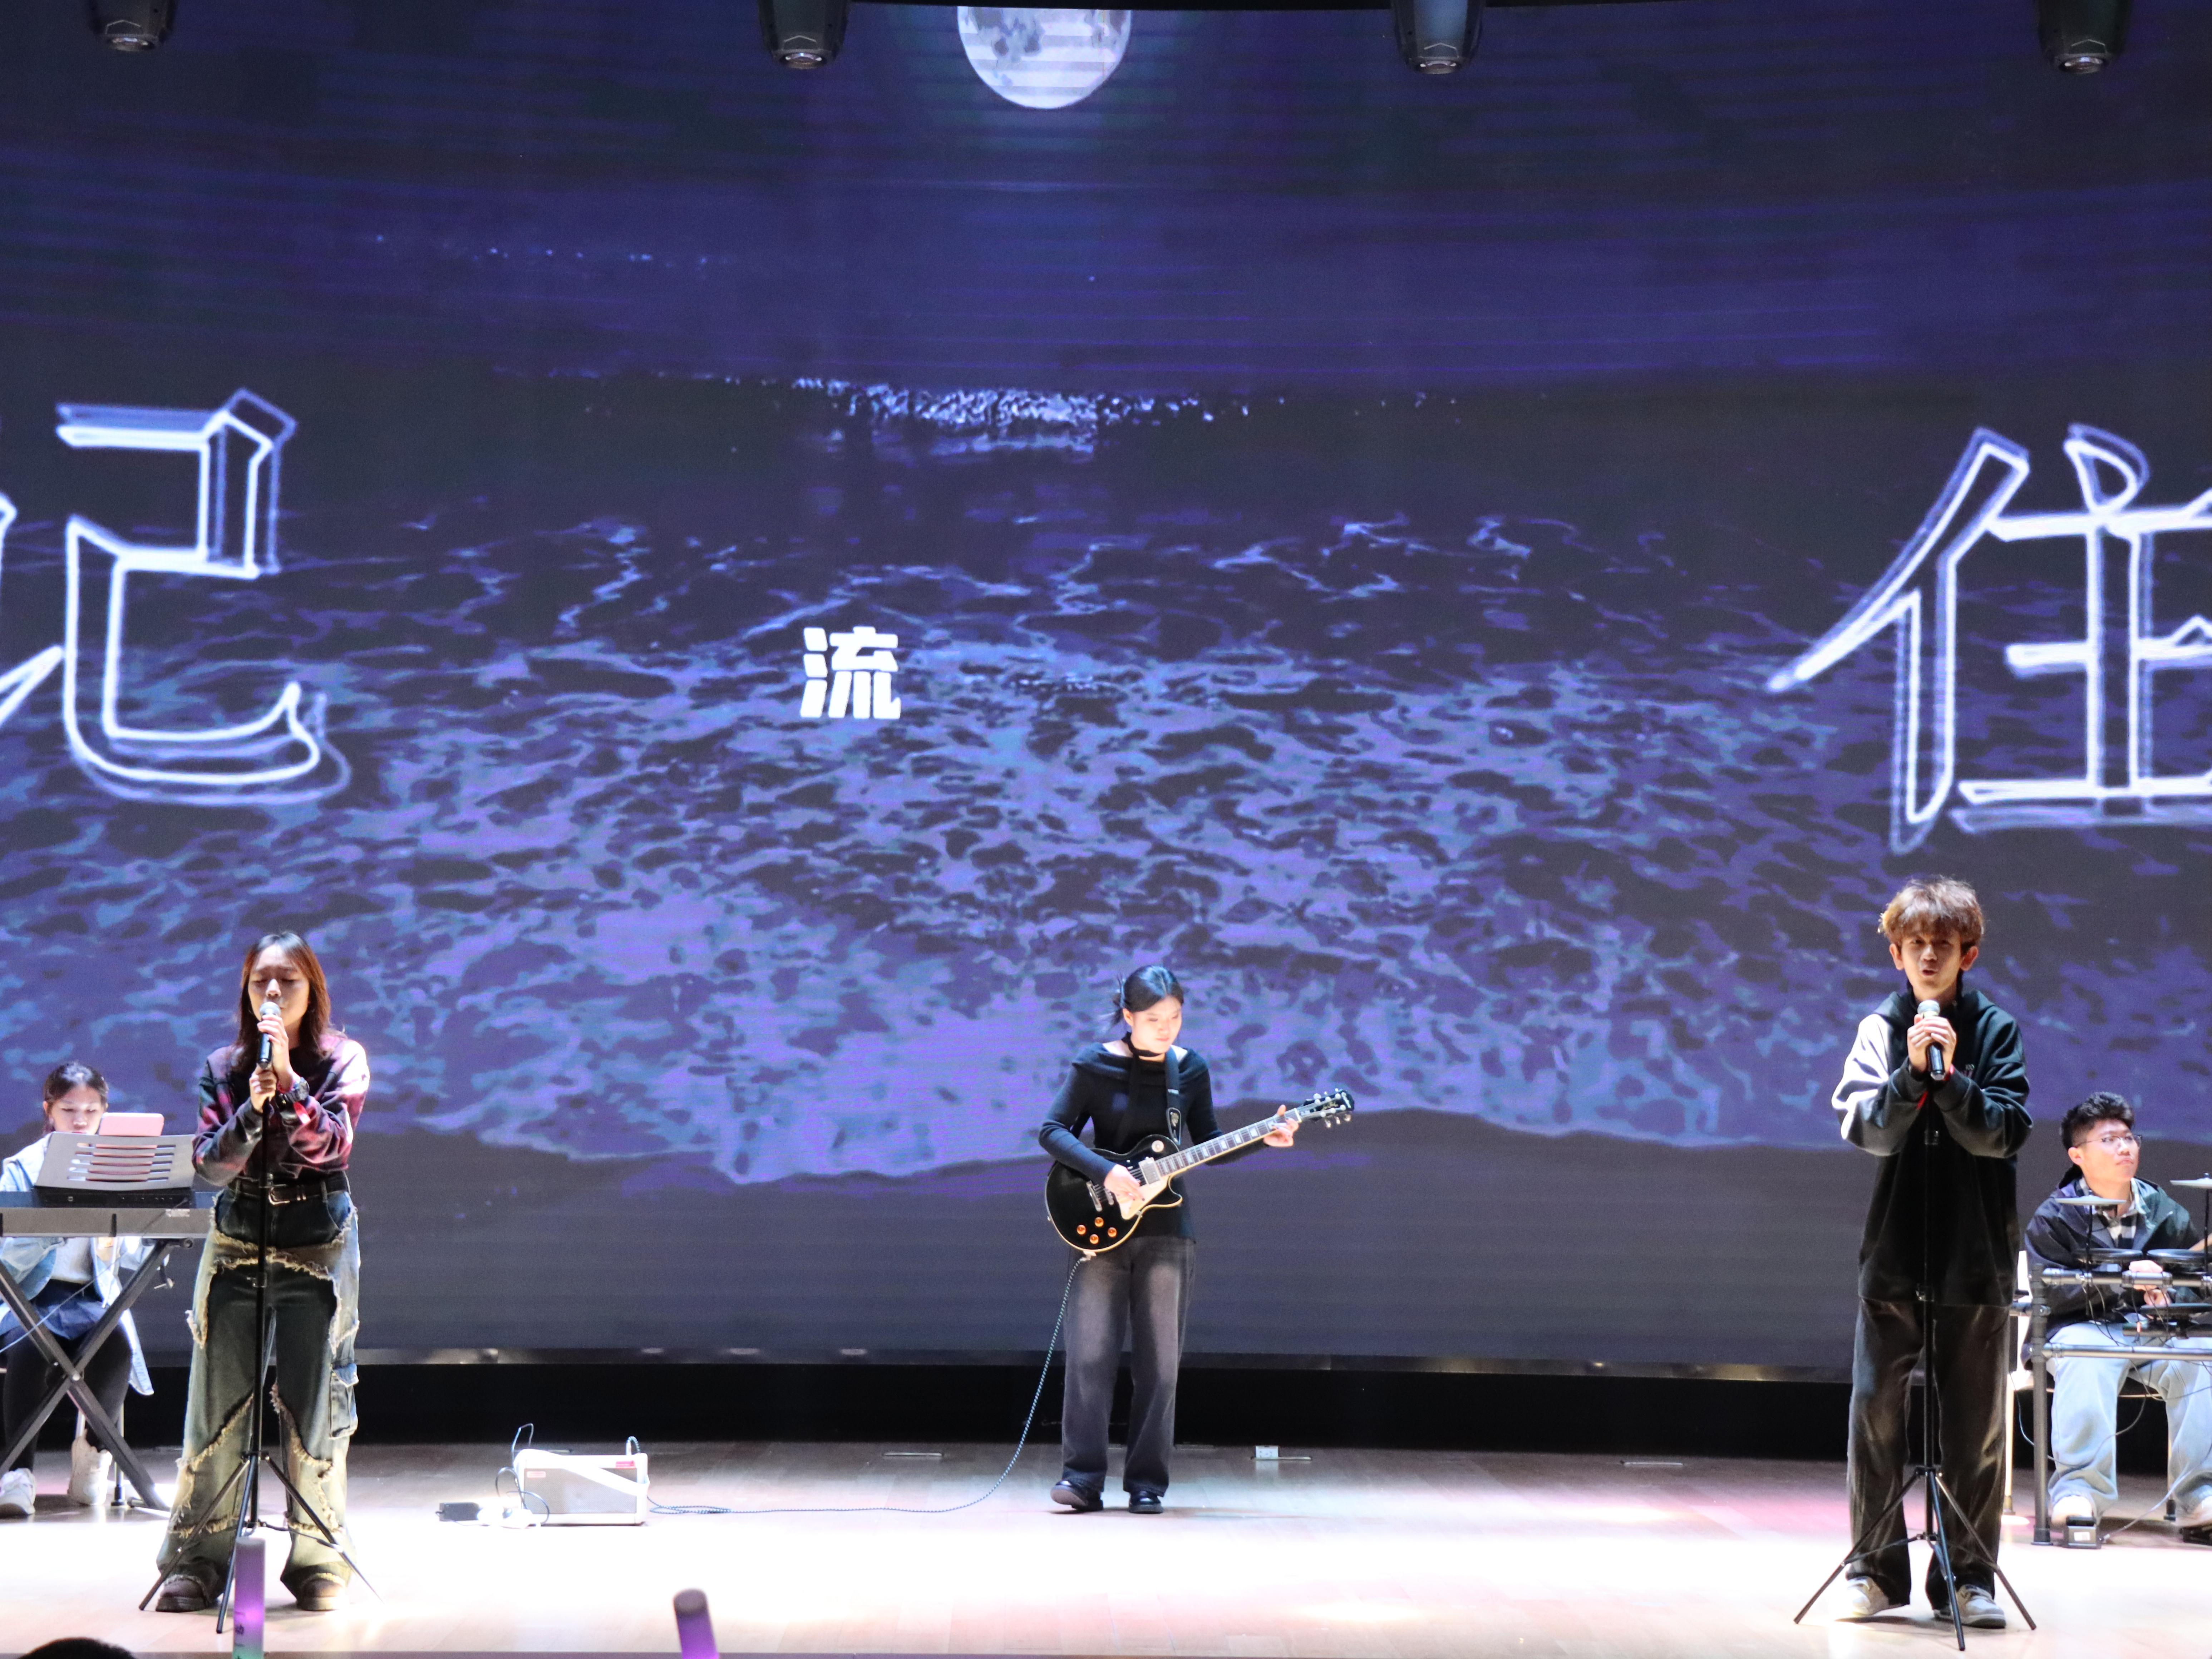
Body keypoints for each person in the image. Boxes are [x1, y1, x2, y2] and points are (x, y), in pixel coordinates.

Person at [1831, 877, 2029, 1629]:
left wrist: (1947, 1080)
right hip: (1894, 1251)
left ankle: (1968, 1579)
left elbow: (2002, 1133)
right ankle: (1875, 1574)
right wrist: (1910, 1075)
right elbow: (1868, 1132)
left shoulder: (1996, 1030)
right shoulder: (1879, 1029)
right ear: (1895, 952)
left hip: (1974, 1253)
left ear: (1967, 955)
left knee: (1974, 1428)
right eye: (1914, 944)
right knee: (1875, 1417)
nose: (1927, 957)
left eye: (1942, 945)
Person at [153, 932, 368, 1615]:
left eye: (288, 981)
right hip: (238, 1230)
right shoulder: (224, 1066)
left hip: (317, 1235)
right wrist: (251, 1107)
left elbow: (332, 1148)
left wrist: (292, 1086)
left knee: (316, 1401)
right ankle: (196, 1559)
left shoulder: (343, 1059)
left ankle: (319, 1560)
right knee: (216, 1403)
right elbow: (210, 1166)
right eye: (260, 982)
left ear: (312, 989)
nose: (272, 992)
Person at [1038, 965, 1296, 1514]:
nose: (1166, 1028)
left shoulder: (1189, 1069)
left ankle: (1147, 1483)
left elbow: (1208, 1143)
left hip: (1167, 1231)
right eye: (1154, 1019)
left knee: (1160, 1367)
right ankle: (1081, 1479)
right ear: (1127, 1016)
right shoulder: (1093, 1064)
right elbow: (1052, 1131)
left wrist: (1263, 1139)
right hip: (1100, 1228)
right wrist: (1106, 1173)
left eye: (1175, 1018)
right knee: (1089, 1358)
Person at [2024, 1092, 2212, 1538]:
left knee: (2202, 1357)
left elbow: (2188, 1276)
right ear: (2078, 1154)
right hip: (2080, 1329)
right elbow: (2049, 1291)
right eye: (2108, 1139)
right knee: (2087, 1353)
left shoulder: (2164, 1210)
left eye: (2128, 1137)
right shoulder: (2055, 1216)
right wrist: (2123, 1278)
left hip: (2148, 1333)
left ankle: (2198, 1495)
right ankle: (2078, 1491)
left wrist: (2170, 1293)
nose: (2124, 1147)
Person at [0, 1064, 154, 1519]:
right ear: (49, 1110)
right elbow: (7, 1261)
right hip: (29, 1297)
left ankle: (93, 1456)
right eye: (69, 1110)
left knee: (117, 1346)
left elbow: (132, 1254)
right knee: (31, 1347)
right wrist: (53, 1228)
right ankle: (17, 1473)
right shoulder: (21, 1168)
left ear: (105, 1110)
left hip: (91, 1299)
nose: (81, 1120)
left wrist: (123, 1230)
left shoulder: (117, 1168)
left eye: (91, 1110)